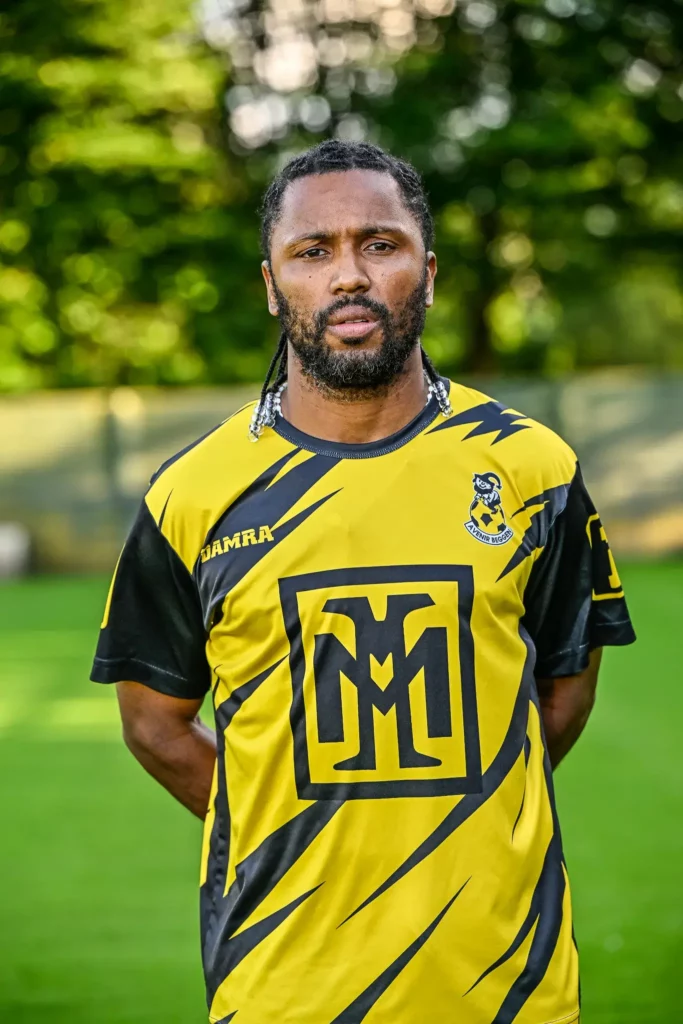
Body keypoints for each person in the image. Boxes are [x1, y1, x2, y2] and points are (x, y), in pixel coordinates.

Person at [91, 140, 635, 1024]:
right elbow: (154, 725)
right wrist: (283, 831)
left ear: (428, 271)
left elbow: (563, 693)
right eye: (313, 251)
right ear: (272, 285)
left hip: (506, 986)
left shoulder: (531, 468)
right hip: (283, 989)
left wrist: (468, 814)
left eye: (379, 244)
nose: (348, 274)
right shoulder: (191, 493)